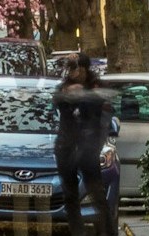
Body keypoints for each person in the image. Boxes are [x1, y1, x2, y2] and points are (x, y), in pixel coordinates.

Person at [53, 54, 116, 236]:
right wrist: (70, 95)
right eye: (71, 68)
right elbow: (57, 101)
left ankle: (107, 232)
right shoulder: (63, 88)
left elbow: (104, 105)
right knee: (70, 195)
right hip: (66, 147)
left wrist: (83, 95)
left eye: (76, 68)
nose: (74, 72)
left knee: (97, 194)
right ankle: (77, 232)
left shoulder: (96, 86)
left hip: (88, 149)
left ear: (84, 69)